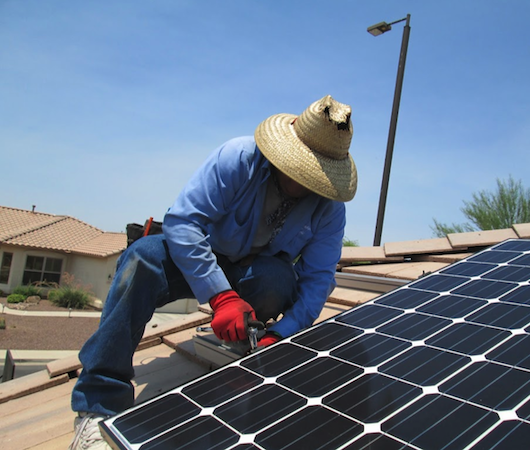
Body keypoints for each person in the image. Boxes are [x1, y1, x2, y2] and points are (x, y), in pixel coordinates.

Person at [68, 94, 358, 450]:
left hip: (254, 272)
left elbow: (318, 280)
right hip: (196, 258)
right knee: (141, 260)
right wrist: (221, 296)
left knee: (278, 281)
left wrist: (281, 334)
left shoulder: (329, 209)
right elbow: (183, 223)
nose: (309, 183)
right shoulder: (238, 158)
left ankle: (246, 336)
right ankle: (98, 405)